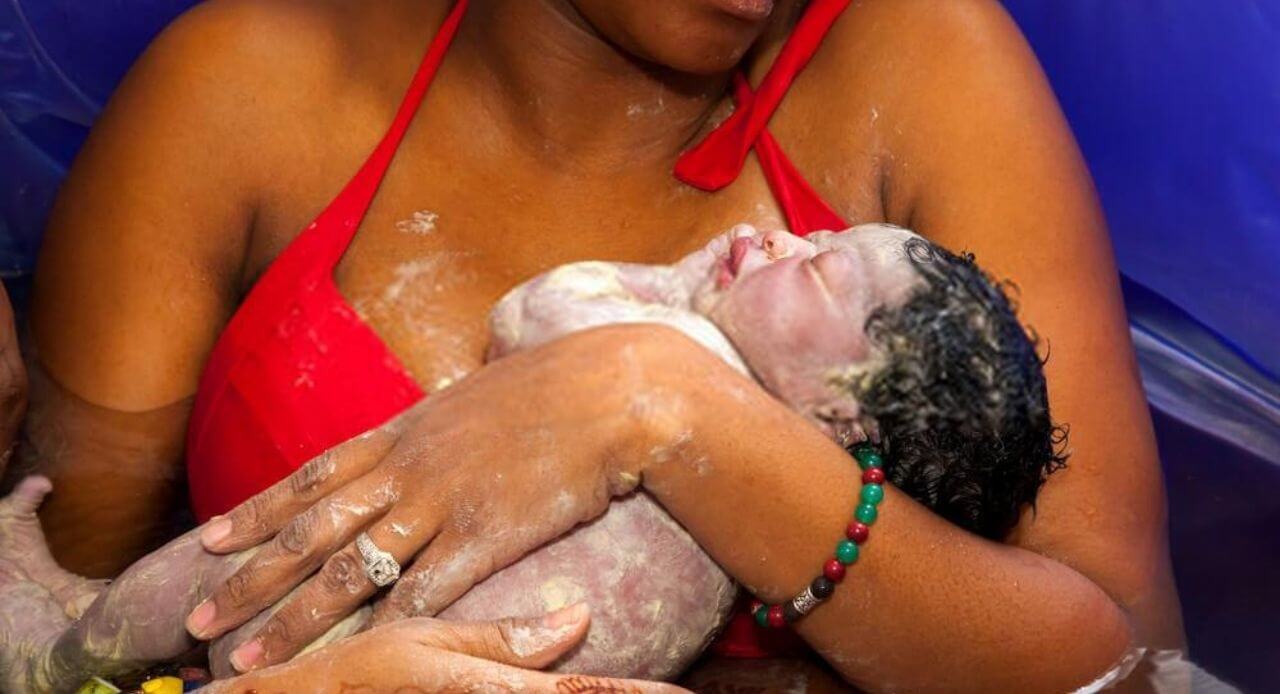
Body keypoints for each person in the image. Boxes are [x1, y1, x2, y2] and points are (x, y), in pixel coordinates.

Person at [10, 0, 1184, 689]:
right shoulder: (247, 91)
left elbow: (1124, 666)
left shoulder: (923, 61)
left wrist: (667, 411)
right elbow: (61, 625)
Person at [0, 222, 1063, 690]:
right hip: (399, 633)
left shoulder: (681, 351)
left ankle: (49, 663)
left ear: (840, 415)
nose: (782, 238)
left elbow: (532, 309)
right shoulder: (784, 500)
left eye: (818, 273)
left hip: (312, 597)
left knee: (199, 585)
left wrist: (676, 312)